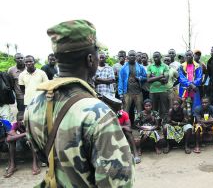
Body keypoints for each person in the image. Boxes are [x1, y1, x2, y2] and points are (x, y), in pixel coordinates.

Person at [25, 20, 134, 187]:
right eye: (97, 52)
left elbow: (42, 155)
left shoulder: (34, 104)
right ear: (90, 59)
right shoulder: (98, 113)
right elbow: (118, 182)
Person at [118, 50, 147, 124]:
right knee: (125, 111)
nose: (132, 57)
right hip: (127, 92)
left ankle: (140, 126)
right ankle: (125, 126)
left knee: (140, 111)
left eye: (134, 55)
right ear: (127, 57)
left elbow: (145, 77)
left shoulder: (140, 67)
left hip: (138, 92)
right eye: (130, 55)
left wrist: (139, 78)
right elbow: (120, 80)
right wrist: (121, 93)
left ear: (136, 57)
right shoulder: (123, 68)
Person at [8, 53, 26, 119]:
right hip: (20, 96)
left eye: (22, 58)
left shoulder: (29, 68)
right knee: (21, 113)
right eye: (18, 58)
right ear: (15, 60)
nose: (20, 59)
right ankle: (21, 128)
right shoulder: (11, 70)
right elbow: (11, 83)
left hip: (31, 95)